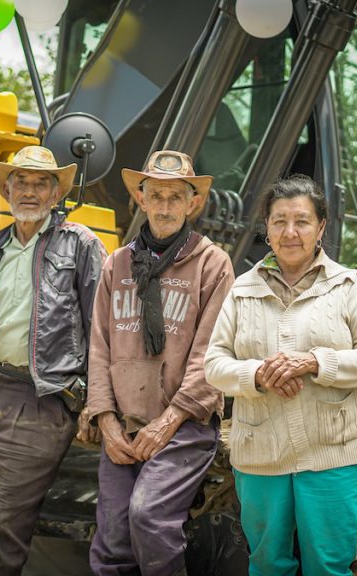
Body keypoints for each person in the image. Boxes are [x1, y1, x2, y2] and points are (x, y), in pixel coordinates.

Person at [204, 174, 357, 576]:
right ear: (267, 230)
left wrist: (314, 363)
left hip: (330, 454)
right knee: (268, 563)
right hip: (259, 452)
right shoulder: (241, 290)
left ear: (321, 228)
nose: (291, 232)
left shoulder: (348, 287)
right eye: (279, 221)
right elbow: (214, 364)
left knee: (328, 565)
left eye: (302, 221)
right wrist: (258, 374)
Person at [0, 146, 106, 576]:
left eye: (41, 184)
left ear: (56, 194)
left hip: (43, 402)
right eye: (22, 182)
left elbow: (102, 330)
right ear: (7, 189)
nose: (30, 191)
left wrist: (97, 400)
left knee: (3, 521)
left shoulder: (81, 245)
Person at [83, 150, 234, 576]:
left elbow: (211, 354)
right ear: (141, 200)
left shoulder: (212, 264)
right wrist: (106, 421)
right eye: (156, 195)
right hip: (124, 428)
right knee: (111, 540)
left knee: (149, 518)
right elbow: (98, 347)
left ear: (193, 204)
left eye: (175, 197)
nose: (165, 206)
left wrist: (167, 422)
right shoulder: (118, 264)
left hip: (183, 427)